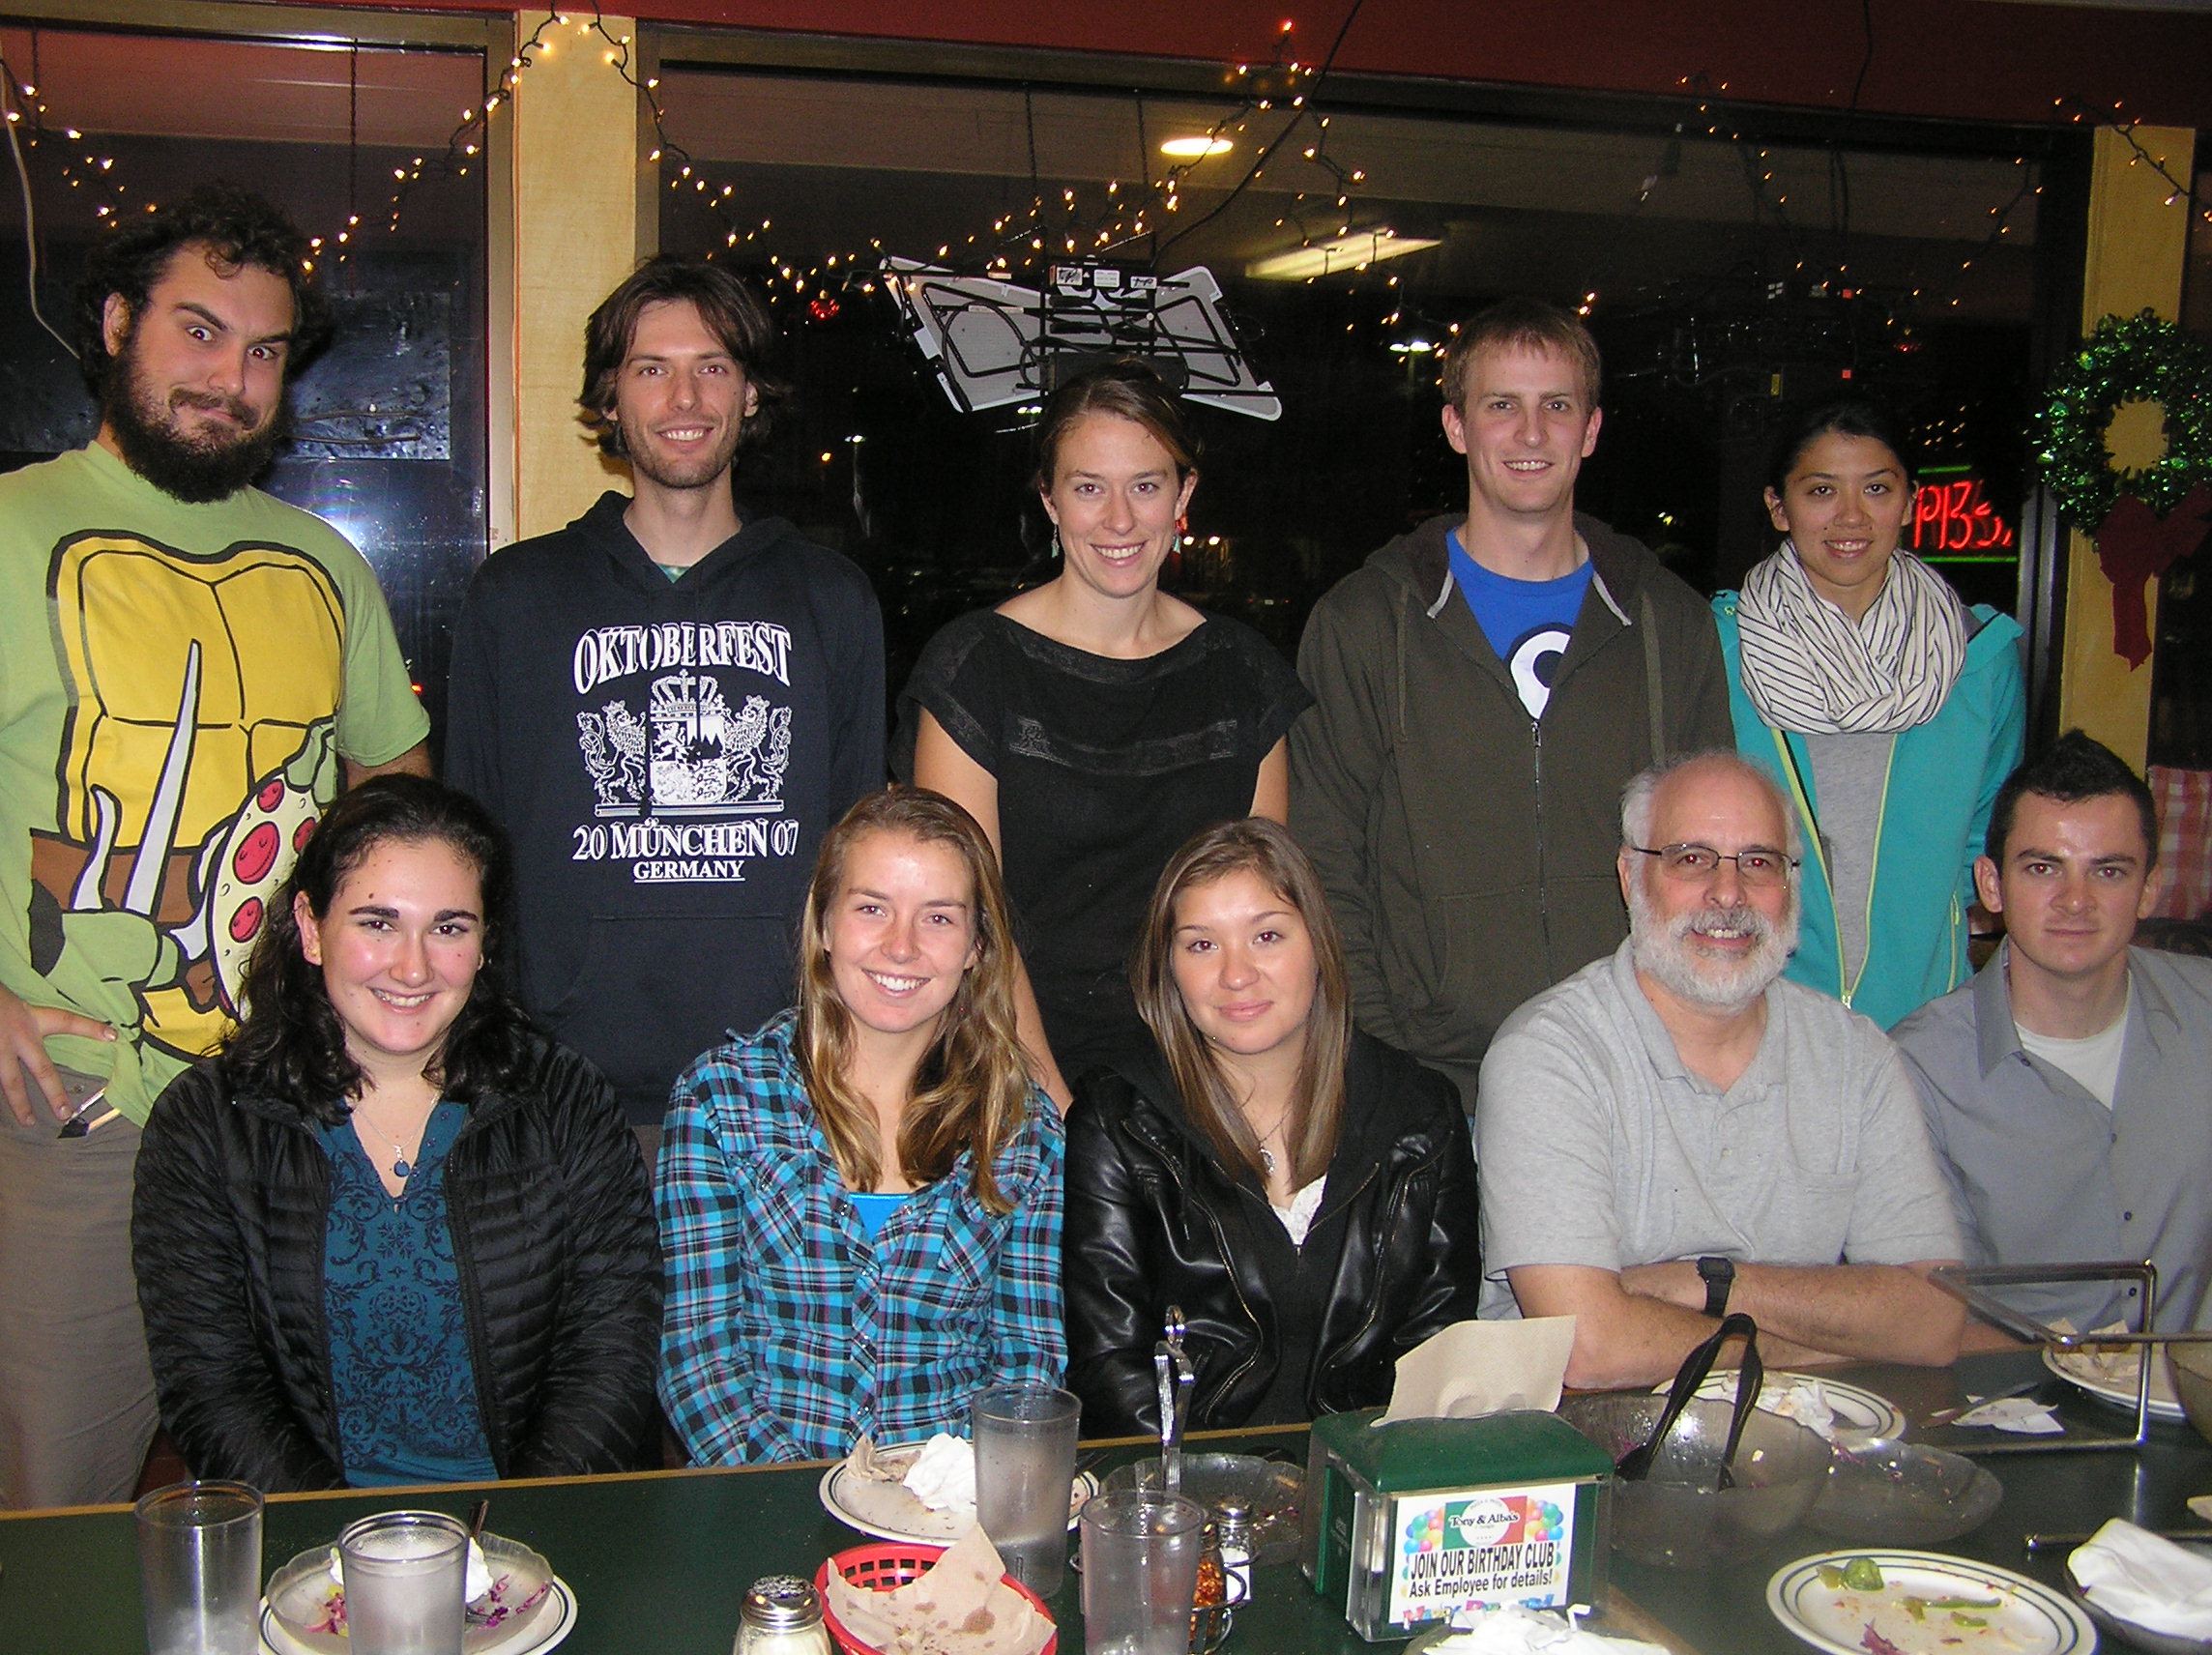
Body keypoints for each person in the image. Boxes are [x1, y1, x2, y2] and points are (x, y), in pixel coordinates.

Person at [0, 184, 429, 1509]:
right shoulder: (12, 530)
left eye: (263, 352)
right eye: (198, 332)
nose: (230, 379)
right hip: (78, 1111)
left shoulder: (325, 564)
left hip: (293, 1109)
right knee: (59, 1511)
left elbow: (395, 793)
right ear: (115, 324)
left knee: (314, 1491)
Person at [446, 255, 885, 1141]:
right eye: (652, 369)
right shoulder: (515, 597)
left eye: (712, 367)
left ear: (750, 395)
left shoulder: (831, 599)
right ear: (610, 398)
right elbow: (466, 849)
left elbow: (861, 852)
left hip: (782, 1093)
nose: (685, 399)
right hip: (562, 1095)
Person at [131, 776, 660, 1490]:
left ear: (484, 944)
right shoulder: (204, 1124)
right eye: (377, 923)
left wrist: (511, 1531)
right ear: (311, 928)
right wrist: (336, 1542)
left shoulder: (566, 1102)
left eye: (449, 928)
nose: (413, 967)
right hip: (312, 1532)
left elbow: (612, 1356)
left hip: (533, 1523)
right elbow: (212, 1388)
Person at [1292, 298, 1732, 1115]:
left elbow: (1713, 857)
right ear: (1456, 426)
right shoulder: (1365, 623)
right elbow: (1323, 863)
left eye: (1556, 405)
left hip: (1633, 1070)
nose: (1531, 433)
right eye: (1502, 405)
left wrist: (1688, 1033)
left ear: (1590, 430)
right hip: (1431, 1084)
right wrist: (1382, 1058)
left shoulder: (1667, 623)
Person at [1477, 752, 1965, 1389]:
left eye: (1758, 862)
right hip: (1584, 1440)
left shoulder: (1856, 1057)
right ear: (1630, 876)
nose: (1728, 894)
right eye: (1692, 858)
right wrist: (1824, 1346)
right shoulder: (1550, 1055)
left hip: (1806, 1438)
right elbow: (1589, 1351)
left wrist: (1710, 1284)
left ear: (1791, 886)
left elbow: (1935, 1320)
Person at [899, 360, 1308, 1101]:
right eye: (1089, 488)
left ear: (1183, 495)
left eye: (1145, 486)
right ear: (1049, 499)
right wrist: (1059, 1110)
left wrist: (1226, 1103)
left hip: (1200, 1076)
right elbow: (969, 921)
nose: (1119, 520)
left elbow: (1260, 924)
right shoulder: (976, 671)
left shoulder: (1243, 674)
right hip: (1011, 1072)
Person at [658, 786, 1064, 1464]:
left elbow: (1028, 1364)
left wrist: (948, 1496)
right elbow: (700, 1366)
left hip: (948, 1500)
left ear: (976, 947)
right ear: (824, 925)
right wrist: (806, 1496)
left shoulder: (1024, 1128)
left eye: (939, 918)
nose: (901, 946)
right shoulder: (720, 1101)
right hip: (765, 1497)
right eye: (872, 908)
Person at [1064, 819, 1483, 1433]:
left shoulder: (1420, 1112)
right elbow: (1109, 1368)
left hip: (1372, 1467)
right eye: (1201, 945)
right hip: (1184, 1475)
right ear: (1169, 969)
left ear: (1319, 945)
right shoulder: (1119, 1119)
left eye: (1266, 936)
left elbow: (1439, 1345)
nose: (1236, 975)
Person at [1713, 398, 2025, 1029]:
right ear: (1779, 506)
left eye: (1877, 489)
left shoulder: (1978, 657)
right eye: (1821, 490)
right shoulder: (1722, 648)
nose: (1851, 516)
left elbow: (1989, 831)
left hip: (1924, 1012)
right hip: (1755, 1011)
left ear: (1910, 502)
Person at [1895, 733, 2212, 1336]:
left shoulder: (2205, 1016)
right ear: (1991, 885)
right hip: (2009, 1386)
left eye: (2108, 872)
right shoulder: (1917, 1072)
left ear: (2148, 889)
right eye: (2043, 868)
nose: (2075, 901)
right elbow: (1930, 1311)